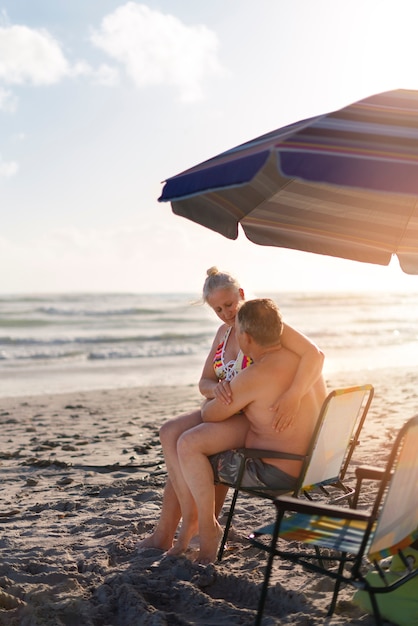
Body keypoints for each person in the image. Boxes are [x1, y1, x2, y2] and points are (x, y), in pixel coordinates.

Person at [138, 268, 324, 552]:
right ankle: (175, 526)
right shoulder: (223, 333)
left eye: (229, 305)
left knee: (190, 444)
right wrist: (215, 390)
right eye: (218, 309)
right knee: (169, 432)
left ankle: (197, 522)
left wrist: (293, 395)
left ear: (241, 295)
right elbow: (204, 381)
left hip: (249, 418)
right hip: (228, 405)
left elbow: (315, 354)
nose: (225, 313)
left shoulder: (262, 325)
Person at [177, 298, 327, 563]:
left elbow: (208, 414)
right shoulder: (303, 364)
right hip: (315, 466)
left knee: (190, 447)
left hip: (276, 474)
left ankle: (207, 532)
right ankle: (202, 527)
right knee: (205, 442)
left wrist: (218, 394)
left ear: (244, 338)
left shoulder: (257, 374)